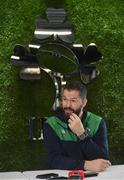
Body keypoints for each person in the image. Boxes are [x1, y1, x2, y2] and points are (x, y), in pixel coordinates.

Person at [43, 81, 111, 172]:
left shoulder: (97, 122)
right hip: (62, 176)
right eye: (65, 99)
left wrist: (82, 134)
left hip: (92, 176)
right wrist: (85, 165)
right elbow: (52, 159)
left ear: (84, 102)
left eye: (73, 101)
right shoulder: (51, 124)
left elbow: (102, 159)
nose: (67, 105)